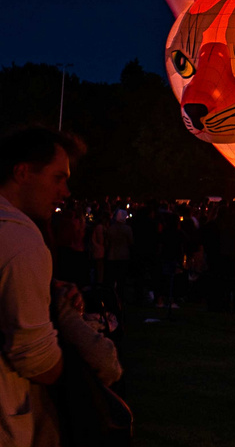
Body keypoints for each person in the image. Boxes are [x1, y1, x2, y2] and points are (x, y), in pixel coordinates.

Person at [0, 128, 121, 446]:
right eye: (58, 178)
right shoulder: (21, 239)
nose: (65, 191)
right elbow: (37, 360)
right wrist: (84, 368)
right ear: (23, 172)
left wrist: (47, 291)